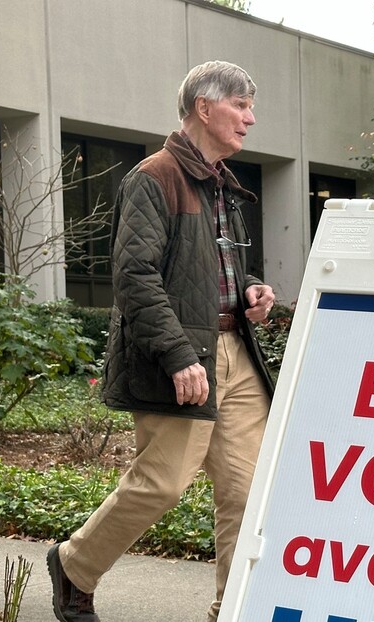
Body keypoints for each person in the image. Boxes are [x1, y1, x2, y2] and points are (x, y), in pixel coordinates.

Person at [46, 60, 276, 622]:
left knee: (248, 495)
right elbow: (135, 277)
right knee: (162, 483)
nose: (250, 118)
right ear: (204, 107)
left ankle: (234, 608)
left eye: (251, 107)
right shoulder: (155, 176)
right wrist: (177, 355)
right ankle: (74, 565)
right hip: (181, 354)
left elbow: (205, 273)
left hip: (235, 355)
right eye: (241, 106)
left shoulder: (222, 184)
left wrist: (249, 291)